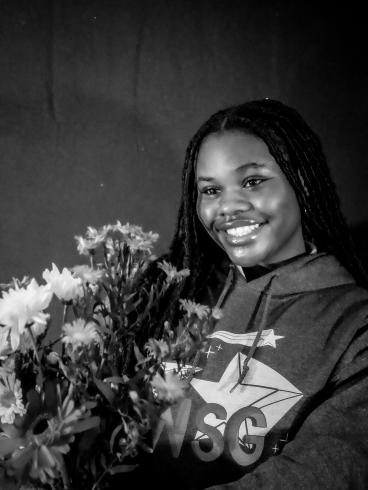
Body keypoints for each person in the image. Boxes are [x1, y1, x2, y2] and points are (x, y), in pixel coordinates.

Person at [131, 99, 368, 489]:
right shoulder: (176, 293)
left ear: (302, 181)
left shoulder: (354, 326)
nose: (228, 207)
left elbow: (326, 472)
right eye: (210, 189)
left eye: (253, 181)